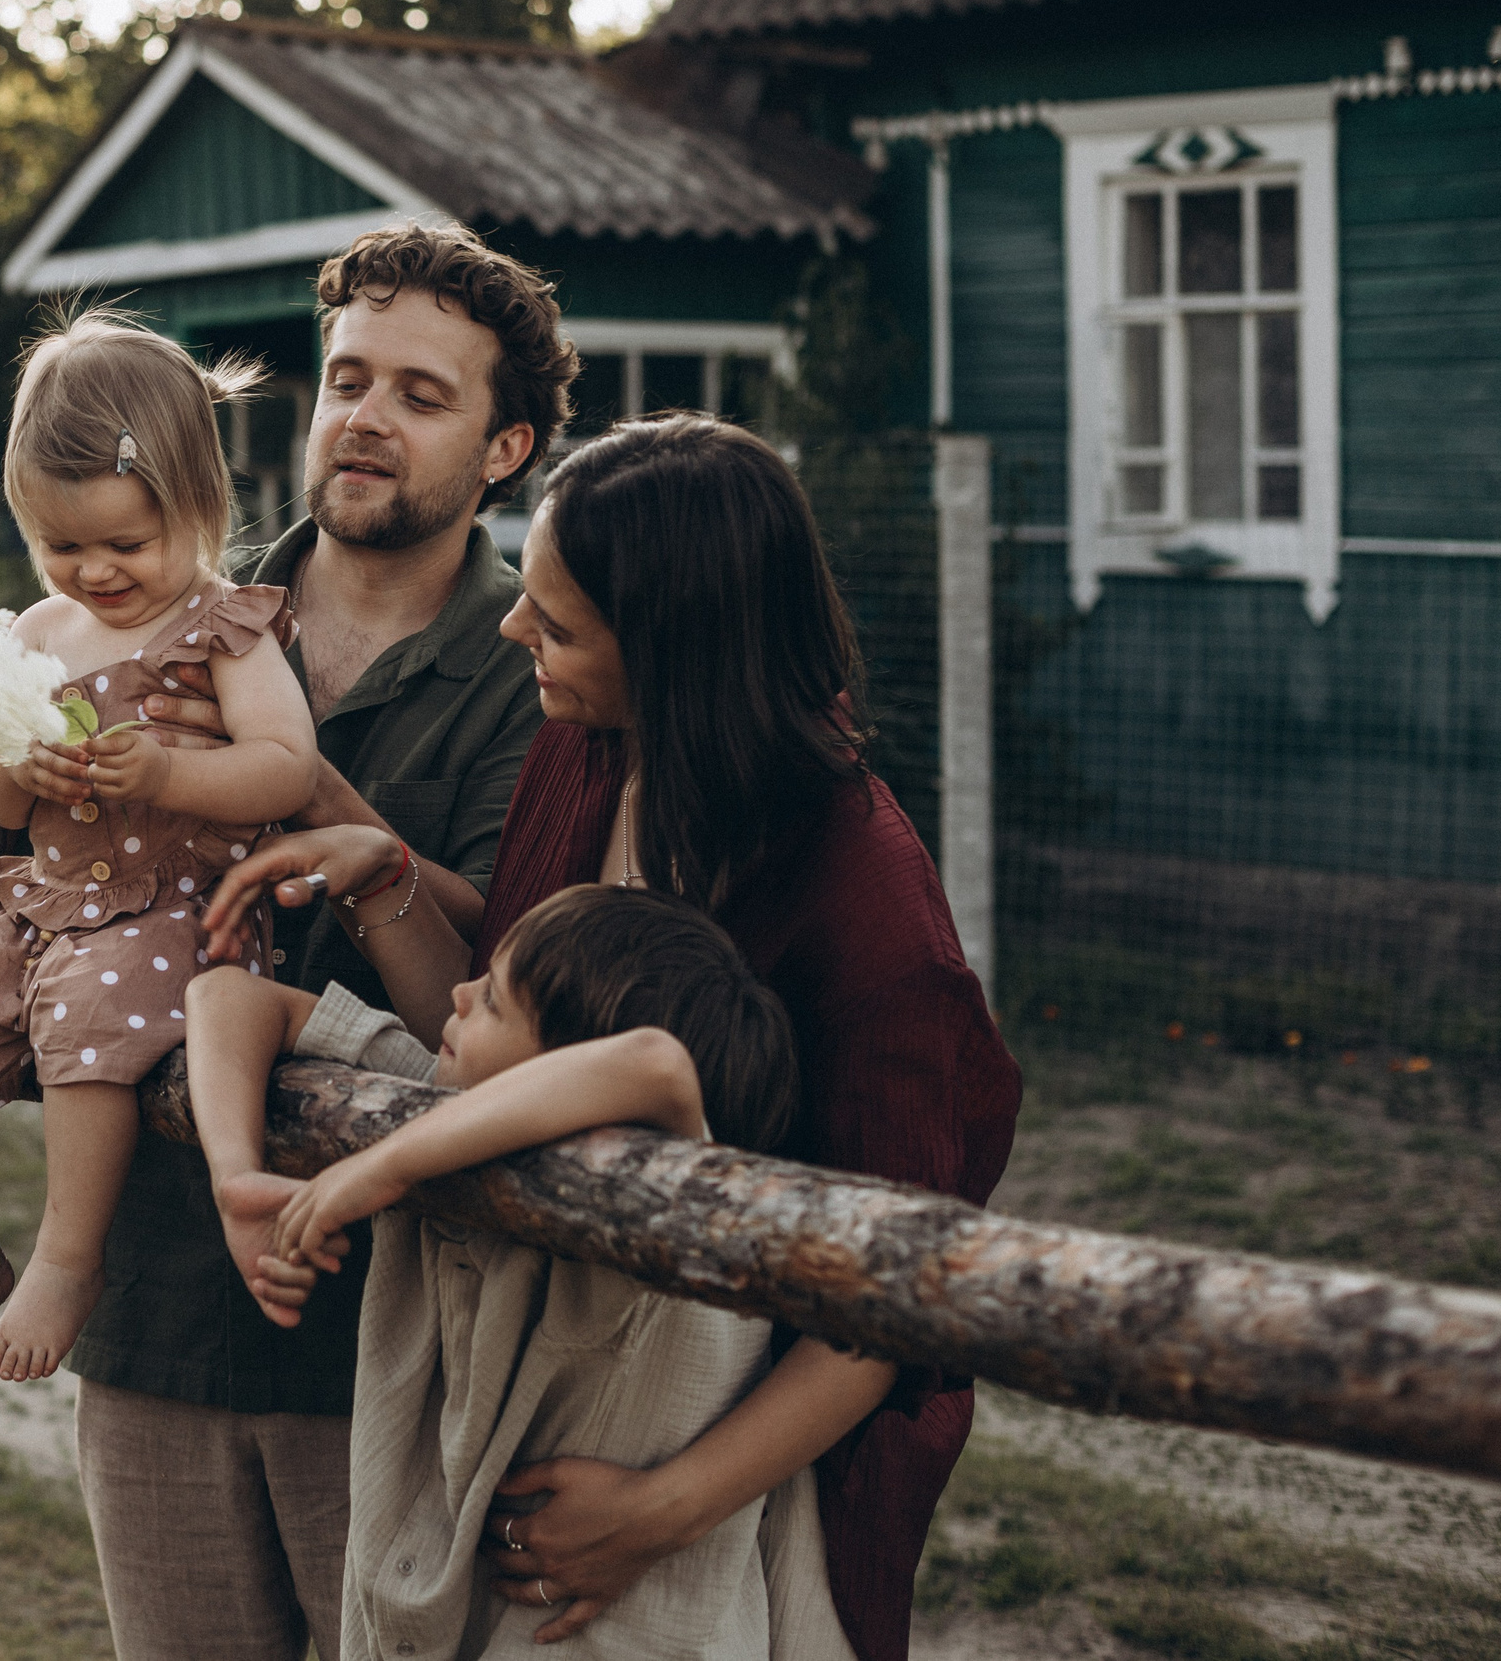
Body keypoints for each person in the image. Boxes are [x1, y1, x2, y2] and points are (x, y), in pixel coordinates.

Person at [205, 413, 1023, 1661]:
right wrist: (388, 883)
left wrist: (659, 1511)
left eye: (558, 620)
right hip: (533, 1392)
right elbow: (493, 1036)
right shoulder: (586, 753)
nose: (511, 630)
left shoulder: (868, 914)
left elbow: (893, 1299)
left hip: (727, 1464)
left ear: (676, 650)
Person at [0, 221, 568, 1660]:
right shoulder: (152, 600)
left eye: (421, 395)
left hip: (386, 1328)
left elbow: (503, 1000)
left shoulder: (537, 671)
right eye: (346, 378)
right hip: (148, 1292)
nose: (365, 418)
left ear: (505, 448)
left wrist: (312, 793)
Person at [184, 883, 854, 1658]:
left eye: (495, 999)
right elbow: (229, 995)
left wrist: (380, 1168)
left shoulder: (664, 1211)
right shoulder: (449, 1104)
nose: (459, 993)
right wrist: (237, 1181)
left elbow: (657, 1065)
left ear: (571, 1060)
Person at [0, 312, 320, 1383]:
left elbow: (285, 768)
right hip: (46, 902)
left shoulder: (225, 629)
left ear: (200, 505)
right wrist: (5, 766)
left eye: (126, 544)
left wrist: (170, 772)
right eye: (62, 547)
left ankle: (68, 1260)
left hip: (179, 911)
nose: (95, 572)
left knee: (86, 1026)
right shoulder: (34, 635)